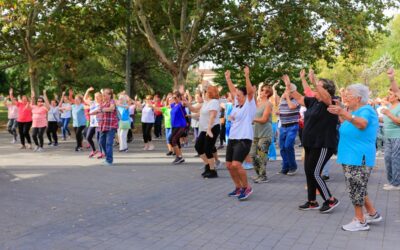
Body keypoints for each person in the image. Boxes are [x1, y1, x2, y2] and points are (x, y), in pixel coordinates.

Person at [328, 83, 382, 232]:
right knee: (359, 187)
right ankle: (372, 213)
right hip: (351, 155)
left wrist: (343, 112)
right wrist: (340, 111)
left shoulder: (366, 110)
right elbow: (347, 124)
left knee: (356, 188)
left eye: (348, 95)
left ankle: (360, 220)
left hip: (358, 156)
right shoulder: (356, 111)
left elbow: (362, 124)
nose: (345, 97)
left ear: (358, 98)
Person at [284, 69, 340, 213]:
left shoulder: (331, 102)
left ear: (326, 89)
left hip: (323, 145)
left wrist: (314, 81)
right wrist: (289, 86)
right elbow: (299, 97)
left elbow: (326, 97)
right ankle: (312, 202)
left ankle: (330, 200)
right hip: (310, 144)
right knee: (309, 172)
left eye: (319, 86)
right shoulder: (314, 101)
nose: (316, 88)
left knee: (315, 172)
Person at [224, 66, 257, 201]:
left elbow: (249, 92)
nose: (235, 96)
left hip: (244, 139)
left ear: (244, 96)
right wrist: (228, 79)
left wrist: (247, 76)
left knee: (237, 164)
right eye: (236, 95)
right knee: (229, 165)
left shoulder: (249, 104)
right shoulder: (237, 104)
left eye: (238, 95)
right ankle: (238, 187)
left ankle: (247, 187)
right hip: (232, 138)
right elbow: (233, 90)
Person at [186, 85, 221, 178]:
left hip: (212, 128)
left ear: (209, 93)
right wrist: (187, 103)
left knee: (208, 149)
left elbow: (213, 116)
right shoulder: (205, 102)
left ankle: (213, 171)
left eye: (205, 92)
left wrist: (209, 129)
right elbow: (193, 109)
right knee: (198, 146)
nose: (203, 94)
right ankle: (207, 166)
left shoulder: (214, 102)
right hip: (204, 129)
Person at [381, 68, 400, 190]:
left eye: (391, 94)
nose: (389, 95)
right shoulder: (389, 106)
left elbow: (398, 121)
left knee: (395, 159)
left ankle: (396, 183)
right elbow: (385, 120)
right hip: (387, 136)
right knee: (387, 158)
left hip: (397, 137)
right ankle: (391, 180)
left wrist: (391, 78)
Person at [250, 83, 273, 183]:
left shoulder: (268, 104)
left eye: (263, 90)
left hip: (265, 134)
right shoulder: (258, 103)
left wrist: (252, 119)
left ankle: (263, 176)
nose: (261, 91)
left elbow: (264, 119)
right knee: (252, 155)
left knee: (261, 156)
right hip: (255, 133)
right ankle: (259, 174)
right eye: (261, 90)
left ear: (267, 93)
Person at [277, 81, 300, 175]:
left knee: (288, 146)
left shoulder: (296, 100)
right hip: (283, 126)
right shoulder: (283, 100)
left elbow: (291, 107)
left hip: (292, 126)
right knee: (282, 147)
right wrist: (279, 112)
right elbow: (280, 109)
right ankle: (285, 167)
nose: (285, 92)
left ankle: (293, 167)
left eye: (288, 90)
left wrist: (286, 97)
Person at [95, 88, 118, 166]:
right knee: (101, 142)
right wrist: (92, 113)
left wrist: (103, 109)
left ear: (110, 95)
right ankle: (107, 157)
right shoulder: (103, 102)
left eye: (106, 93)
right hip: (103, 125)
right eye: (103, 93)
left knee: (108, 143)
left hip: (111, 125)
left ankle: (109, 160)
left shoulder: (112, 101)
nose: (104, 95)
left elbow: (112, 108)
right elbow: (98, 110)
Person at [84, 87, 103, 158]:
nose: (97, 98)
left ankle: (101, 152)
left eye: (98, 97)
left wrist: (102, 92)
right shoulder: (92, 103)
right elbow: (85, 99)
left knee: (99, 139)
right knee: (88, 137)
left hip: (99, 123)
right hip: (92, 124)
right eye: (95, 97)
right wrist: (87, 90)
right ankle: (94, 150)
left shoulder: (102, 104)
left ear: (101, 98)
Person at [169, 91, 187, 164]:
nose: (174, 99)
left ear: (179, 98)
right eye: (173, 97)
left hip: (181, 125)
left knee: (172, 139)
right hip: (174, 125)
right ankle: (180, 156)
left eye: (175, 97)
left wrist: (183, 97)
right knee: (175, 140)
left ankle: (179, 157)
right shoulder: (173, 105)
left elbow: (185, 102)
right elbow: (165, 106)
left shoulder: (181, 104)